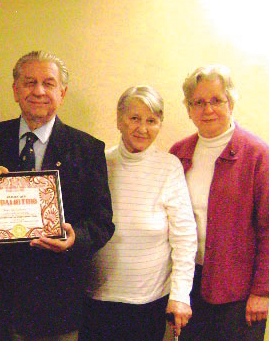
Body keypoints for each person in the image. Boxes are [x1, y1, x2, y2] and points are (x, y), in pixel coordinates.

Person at [0, 50, 115, 340]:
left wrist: (74, 239)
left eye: (49, 83)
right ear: (16, 90)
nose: (39, 91)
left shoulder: (88, 149)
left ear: (63, 92)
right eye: (29, 82)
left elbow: (102, 223)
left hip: (56, 304)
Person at [169, 65, 269, 340]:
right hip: (189, 284)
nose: (207, 109)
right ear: (188, 109)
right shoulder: (179, 153)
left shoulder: (256, 154)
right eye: (198, 102)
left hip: (239, 292)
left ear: (230, 103)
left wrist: (262, 291)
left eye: (216, 100)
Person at [79, 86, 197, 341]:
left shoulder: (168, 167)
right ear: (119, 120)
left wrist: (180, 295)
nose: (142, 129)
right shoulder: (100, 162)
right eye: (134, 118)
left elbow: (185, 237)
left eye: (151, 121)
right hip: (97, 297)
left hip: (149, 302)